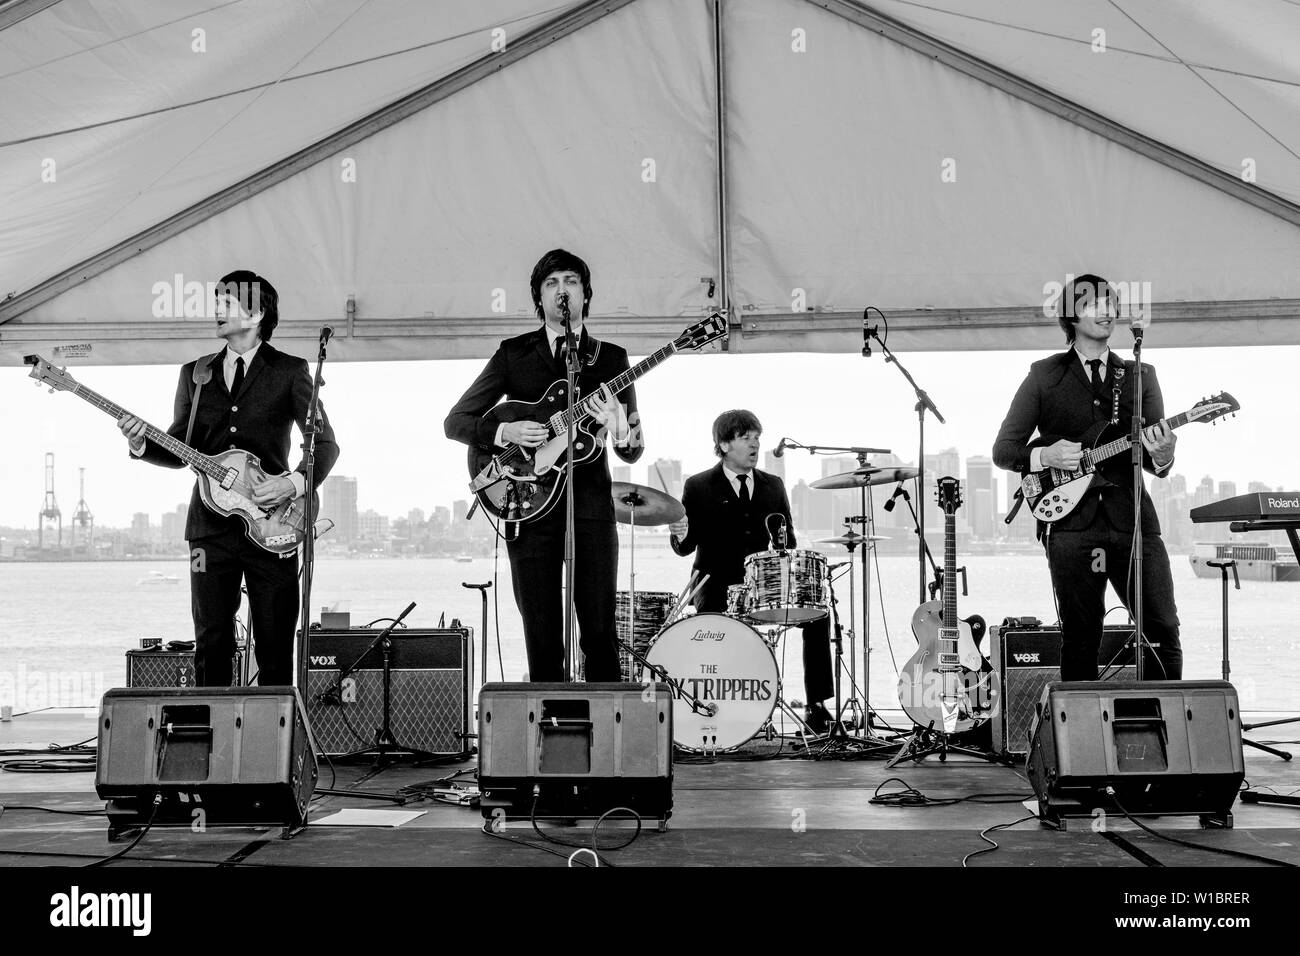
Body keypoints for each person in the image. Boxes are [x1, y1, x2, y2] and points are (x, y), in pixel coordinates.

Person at [118, 270, 339, 687]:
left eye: (227, 302)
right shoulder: (195, 374)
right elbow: (180, 449)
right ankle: (213, 741)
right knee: (212, 641)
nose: (216, 309)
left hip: (274, 524)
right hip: (209, 530)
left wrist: (291, 483)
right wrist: (141, 445)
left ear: (256, 313)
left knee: (275, 644)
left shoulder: (290, 371)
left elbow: (325, 445)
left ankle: (274, 743)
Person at [445, 249, 642, 682]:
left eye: (570, 281)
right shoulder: (514, 354)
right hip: (527, 505)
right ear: (539, 297)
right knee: (541, 629)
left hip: (590, 506)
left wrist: (619, 429)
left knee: (599, 629)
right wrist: (505, 433)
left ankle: (605, 737)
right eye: (551, 283)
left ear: (585, 294)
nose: (561, 290)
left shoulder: (611, 359)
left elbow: (632, 450)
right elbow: (455, 422)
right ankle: (549, 730)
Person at [993, 274, 1181, 681]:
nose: (1107, 311)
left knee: (1164, 631)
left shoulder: (1139, 375)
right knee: (1080, 636)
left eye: (1111, 304)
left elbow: (1153, 460)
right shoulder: (1045, 375)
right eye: (1094, 303)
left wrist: (1164, 455)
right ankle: (1080, 742)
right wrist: (1047, 453)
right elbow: (1004, 450)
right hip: (1071, 525)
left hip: (1133, 522)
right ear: (1070, 315)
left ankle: (1164, 736)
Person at [669, 410, 835, 731]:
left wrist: (784, 550)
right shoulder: (699, 485)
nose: (756, 443)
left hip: (765, 586)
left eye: (758, 437)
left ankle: (816, 704)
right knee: (712, 627)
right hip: (714, 584)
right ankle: (719, 708)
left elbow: (789, 541)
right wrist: (679, 532)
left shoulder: (773, 485)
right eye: (747, 437)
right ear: (724, 444)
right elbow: (686, 546)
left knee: (819, 615)